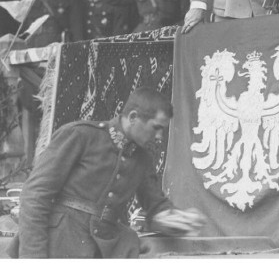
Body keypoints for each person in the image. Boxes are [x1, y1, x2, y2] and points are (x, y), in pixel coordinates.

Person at [14, 88, 199, 258]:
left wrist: (174, 220)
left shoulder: (143, 159)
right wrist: (33, 257)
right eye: (156, 127)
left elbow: (156, 206)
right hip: (60, 245)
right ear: (133, 117)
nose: (159, 137)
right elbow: (34, 196)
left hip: (106, 250)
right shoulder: (80, 136)